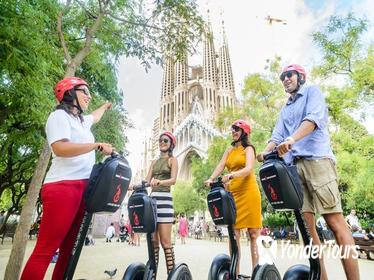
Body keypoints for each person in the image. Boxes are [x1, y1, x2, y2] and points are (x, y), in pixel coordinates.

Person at [257, 64, 359, 280]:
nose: (285, 79)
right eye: (283, 76)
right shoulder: (285, 109)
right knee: (308, 230)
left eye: (289, 75)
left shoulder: (312, 92)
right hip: (294, 169)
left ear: (301, 76)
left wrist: (292, 139)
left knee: (335, 223)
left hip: (318, 162)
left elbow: (312, 120)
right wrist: (264, 153)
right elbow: (276, 136)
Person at [21, 77, 113, 280]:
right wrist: (95, 145)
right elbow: (60, 148)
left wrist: (105, 107)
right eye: (85, 92)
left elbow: (94, 117)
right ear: (70, 93)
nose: (89, 96)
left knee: (68, 251)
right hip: (63, 186)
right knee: (46, 250)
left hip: (83, 188)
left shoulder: (80, 121)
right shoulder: (58, 117)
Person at [204, 120, 262, 277]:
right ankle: (235, 273)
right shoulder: (229, 149)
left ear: (244, 132)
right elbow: (221, 165)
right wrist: (211, 178)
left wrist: (231, 175)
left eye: (237, 129)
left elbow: (249, 168)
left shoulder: (249, 149)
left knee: (253, 234)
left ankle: (256, 272)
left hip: (249, 191)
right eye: (232, 129)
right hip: (233, 194)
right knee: (233, 233)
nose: (234, 132)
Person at [145, 131, 178, 278]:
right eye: (160, 140)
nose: (162, 142)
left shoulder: (173, 160)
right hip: (152, 201)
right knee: (153, 243)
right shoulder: (153, 162)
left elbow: (173, 180)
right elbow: (147, 180)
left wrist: (160, 182)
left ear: (171, 144)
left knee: (166, 242)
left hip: (165, 200)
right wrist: (133, 185)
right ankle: (153, 275)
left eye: (165, 140)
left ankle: (172, 274)